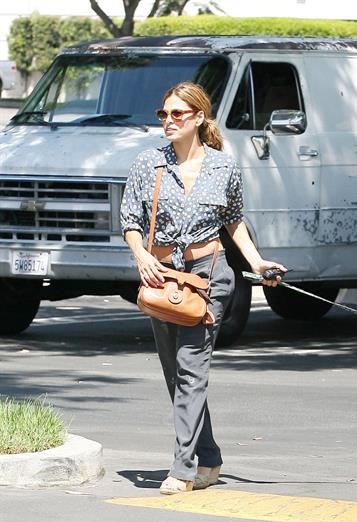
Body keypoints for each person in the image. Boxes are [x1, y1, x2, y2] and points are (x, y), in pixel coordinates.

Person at [120, 81, 286, 495]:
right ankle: (209, 456)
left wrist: (257, 262)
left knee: (192, 370)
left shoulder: (223, 167)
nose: (169, 121)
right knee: (175, 375)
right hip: (162, 276)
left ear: (198, 117)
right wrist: (142, 257)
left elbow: (234, 220)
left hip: (209, 274)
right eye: (164, 114)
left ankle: (183, 467)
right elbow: (130, 221)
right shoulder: (148, 164)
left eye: (178, 114)